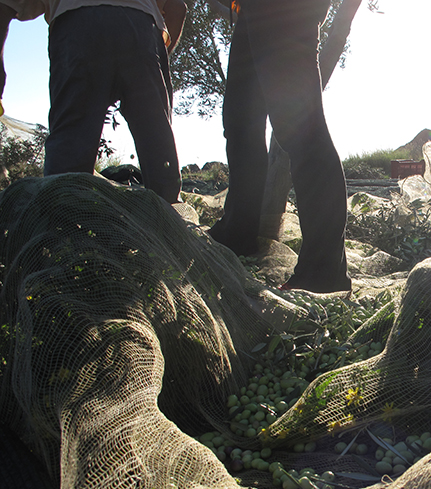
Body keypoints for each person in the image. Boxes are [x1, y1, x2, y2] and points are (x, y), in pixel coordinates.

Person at [207, 0, 351, 294]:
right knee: (239, 122)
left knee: (301, 131)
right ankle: (238, 231)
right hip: (251, 9)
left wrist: (342, 20)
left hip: (287, 8)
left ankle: (323, 272)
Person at [0, 0, 186, 204]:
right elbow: (177, 8)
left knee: (69, 152)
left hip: (77, 29)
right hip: (141, 29)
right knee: (157, 142)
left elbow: (6, 7)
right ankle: (170, 220)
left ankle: (62, 223)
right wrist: (157, 58)